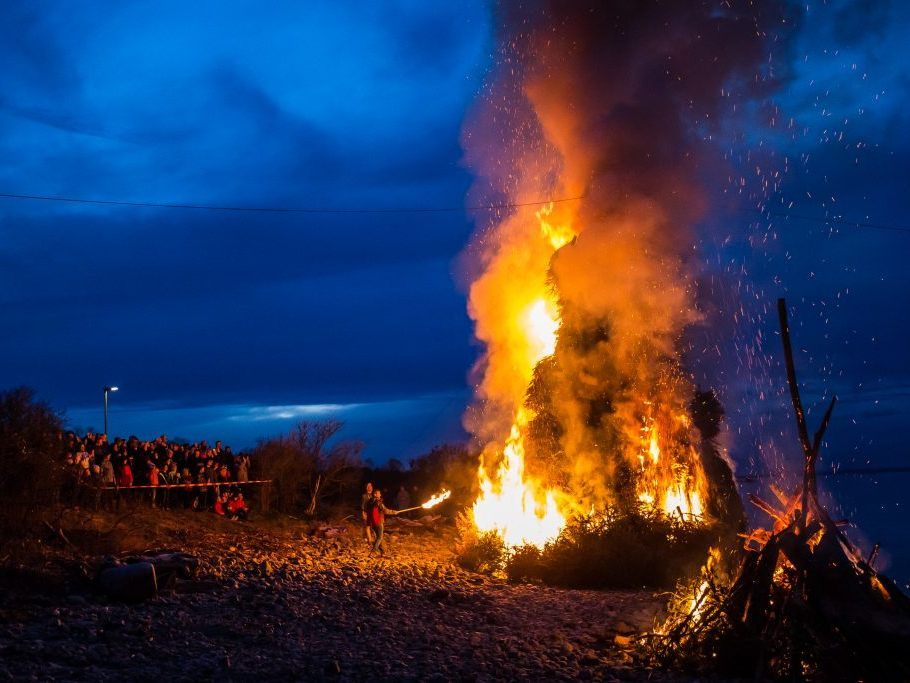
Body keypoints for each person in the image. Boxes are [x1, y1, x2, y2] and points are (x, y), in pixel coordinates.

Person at [365, 489, 399, 557]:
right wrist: (394, 512)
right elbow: (385, 511)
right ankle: (374, 551)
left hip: (372, 522)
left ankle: (382, 552)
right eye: (379, 493)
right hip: (378, 522)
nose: (380, 494)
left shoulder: (369, 502)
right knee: (380, 538)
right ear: (375, 494)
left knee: (379, 538)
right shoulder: (378, 502)